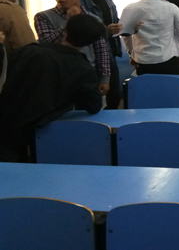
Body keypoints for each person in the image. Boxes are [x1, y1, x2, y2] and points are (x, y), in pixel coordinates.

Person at [0, 14, 105, 162]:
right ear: (91, 42)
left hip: (6, 122)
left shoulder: (28, 51)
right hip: (42, 134)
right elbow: (93, 106)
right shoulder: (83, 68)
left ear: (65, 30)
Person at [35, 0, 111, 97]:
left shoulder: (93, 19)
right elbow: (46, 43)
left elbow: (101, 50)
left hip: (87, 72)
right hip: (56, 75)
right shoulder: (43, 17)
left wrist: (105, 78)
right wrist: (70, 21)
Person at [122, 0, 179, 75]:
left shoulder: (130, 8)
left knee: (147, 84)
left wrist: (132, 54)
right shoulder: (172, 8)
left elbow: (125, 35)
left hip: (142, 60)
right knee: (171, 84)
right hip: (168, 58)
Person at [79, 0, 123, 109]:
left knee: (114, 95)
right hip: (93, 56)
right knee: (95, 97)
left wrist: (128, 25)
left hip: (111, 52)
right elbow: (83, 29)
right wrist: (106, 30)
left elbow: (113, 20)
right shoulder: (81, 1)